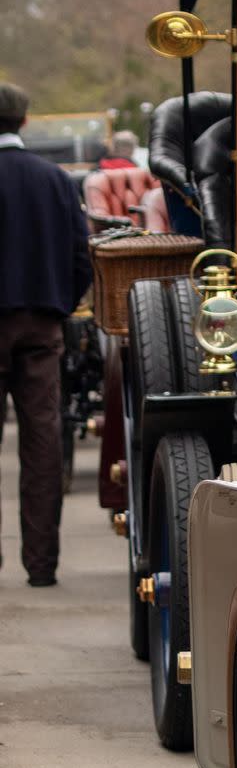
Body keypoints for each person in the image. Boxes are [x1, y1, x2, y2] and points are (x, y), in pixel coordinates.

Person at [0, 82, 92, 586]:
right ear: (25, 122)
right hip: (41, 321)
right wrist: (61, 302)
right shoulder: (54, 179)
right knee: (41, 443)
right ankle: (40, 565)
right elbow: (82, 256)